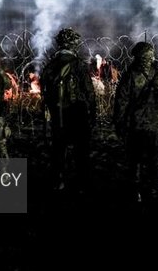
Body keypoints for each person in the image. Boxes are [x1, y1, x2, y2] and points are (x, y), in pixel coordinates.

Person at [40, 28, 96, 192]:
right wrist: (92, 114)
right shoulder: (78, 64)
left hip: (58, 112)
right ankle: (82, 183)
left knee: (58, 149)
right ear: (74, 45)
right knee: (81, 150)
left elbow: (45, 90)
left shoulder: (50, 65)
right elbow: (89, 92)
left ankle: (59, 181)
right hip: (78, 112)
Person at [114, 41, 158, 203]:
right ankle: (155, 188)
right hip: (156, 124)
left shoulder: (130, 76)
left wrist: (119, 124)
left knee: (135, 159)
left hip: (135, 125)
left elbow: (121, 102)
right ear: (151, 56)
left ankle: (136, 191)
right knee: (156, 159)